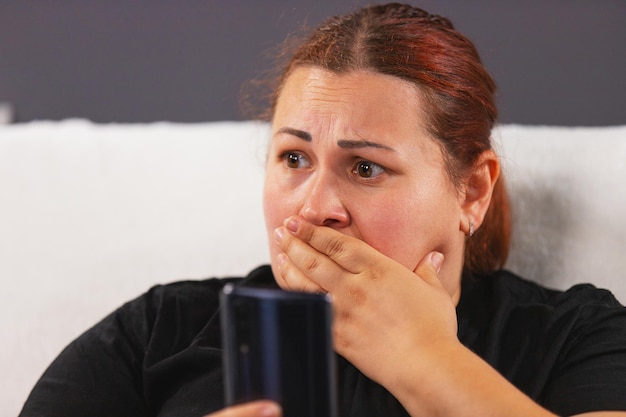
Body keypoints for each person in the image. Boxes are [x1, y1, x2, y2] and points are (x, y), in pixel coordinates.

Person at [19, 3, 626, 417]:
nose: (314, 209)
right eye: (293, 159)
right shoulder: (161, 331)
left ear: (471, 192)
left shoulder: (574, 335)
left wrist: (425, 360)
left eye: (366, 168)